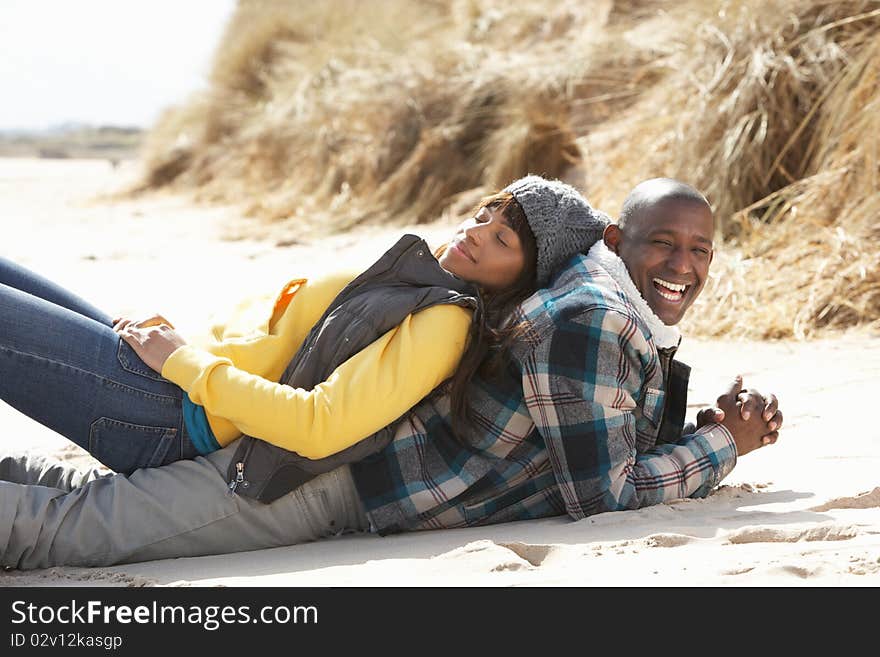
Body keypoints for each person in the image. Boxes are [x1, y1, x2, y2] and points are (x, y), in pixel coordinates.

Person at [0, 177, 782, 569]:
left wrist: (710, 433)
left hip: (270, 447)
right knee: (67, 517)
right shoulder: (585, 314)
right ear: (618, 238)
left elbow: (599, 444)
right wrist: (723, 445)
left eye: (699, 251)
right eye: (484, 214)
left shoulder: (575, 308)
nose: (681, 265)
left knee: (71, 511)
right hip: (290, 462)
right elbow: (605, 485)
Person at [0, 176, 606, 493]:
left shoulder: (446, 322)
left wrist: (185, 363)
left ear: (521, 276)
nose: (477, 231)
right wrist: (187, 346)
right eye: (485, 215)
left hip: (165, 414)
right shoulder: (421, 281)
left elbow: (321, 426)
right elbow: (281, 341)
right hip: (165, 380)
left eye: (502, 239)